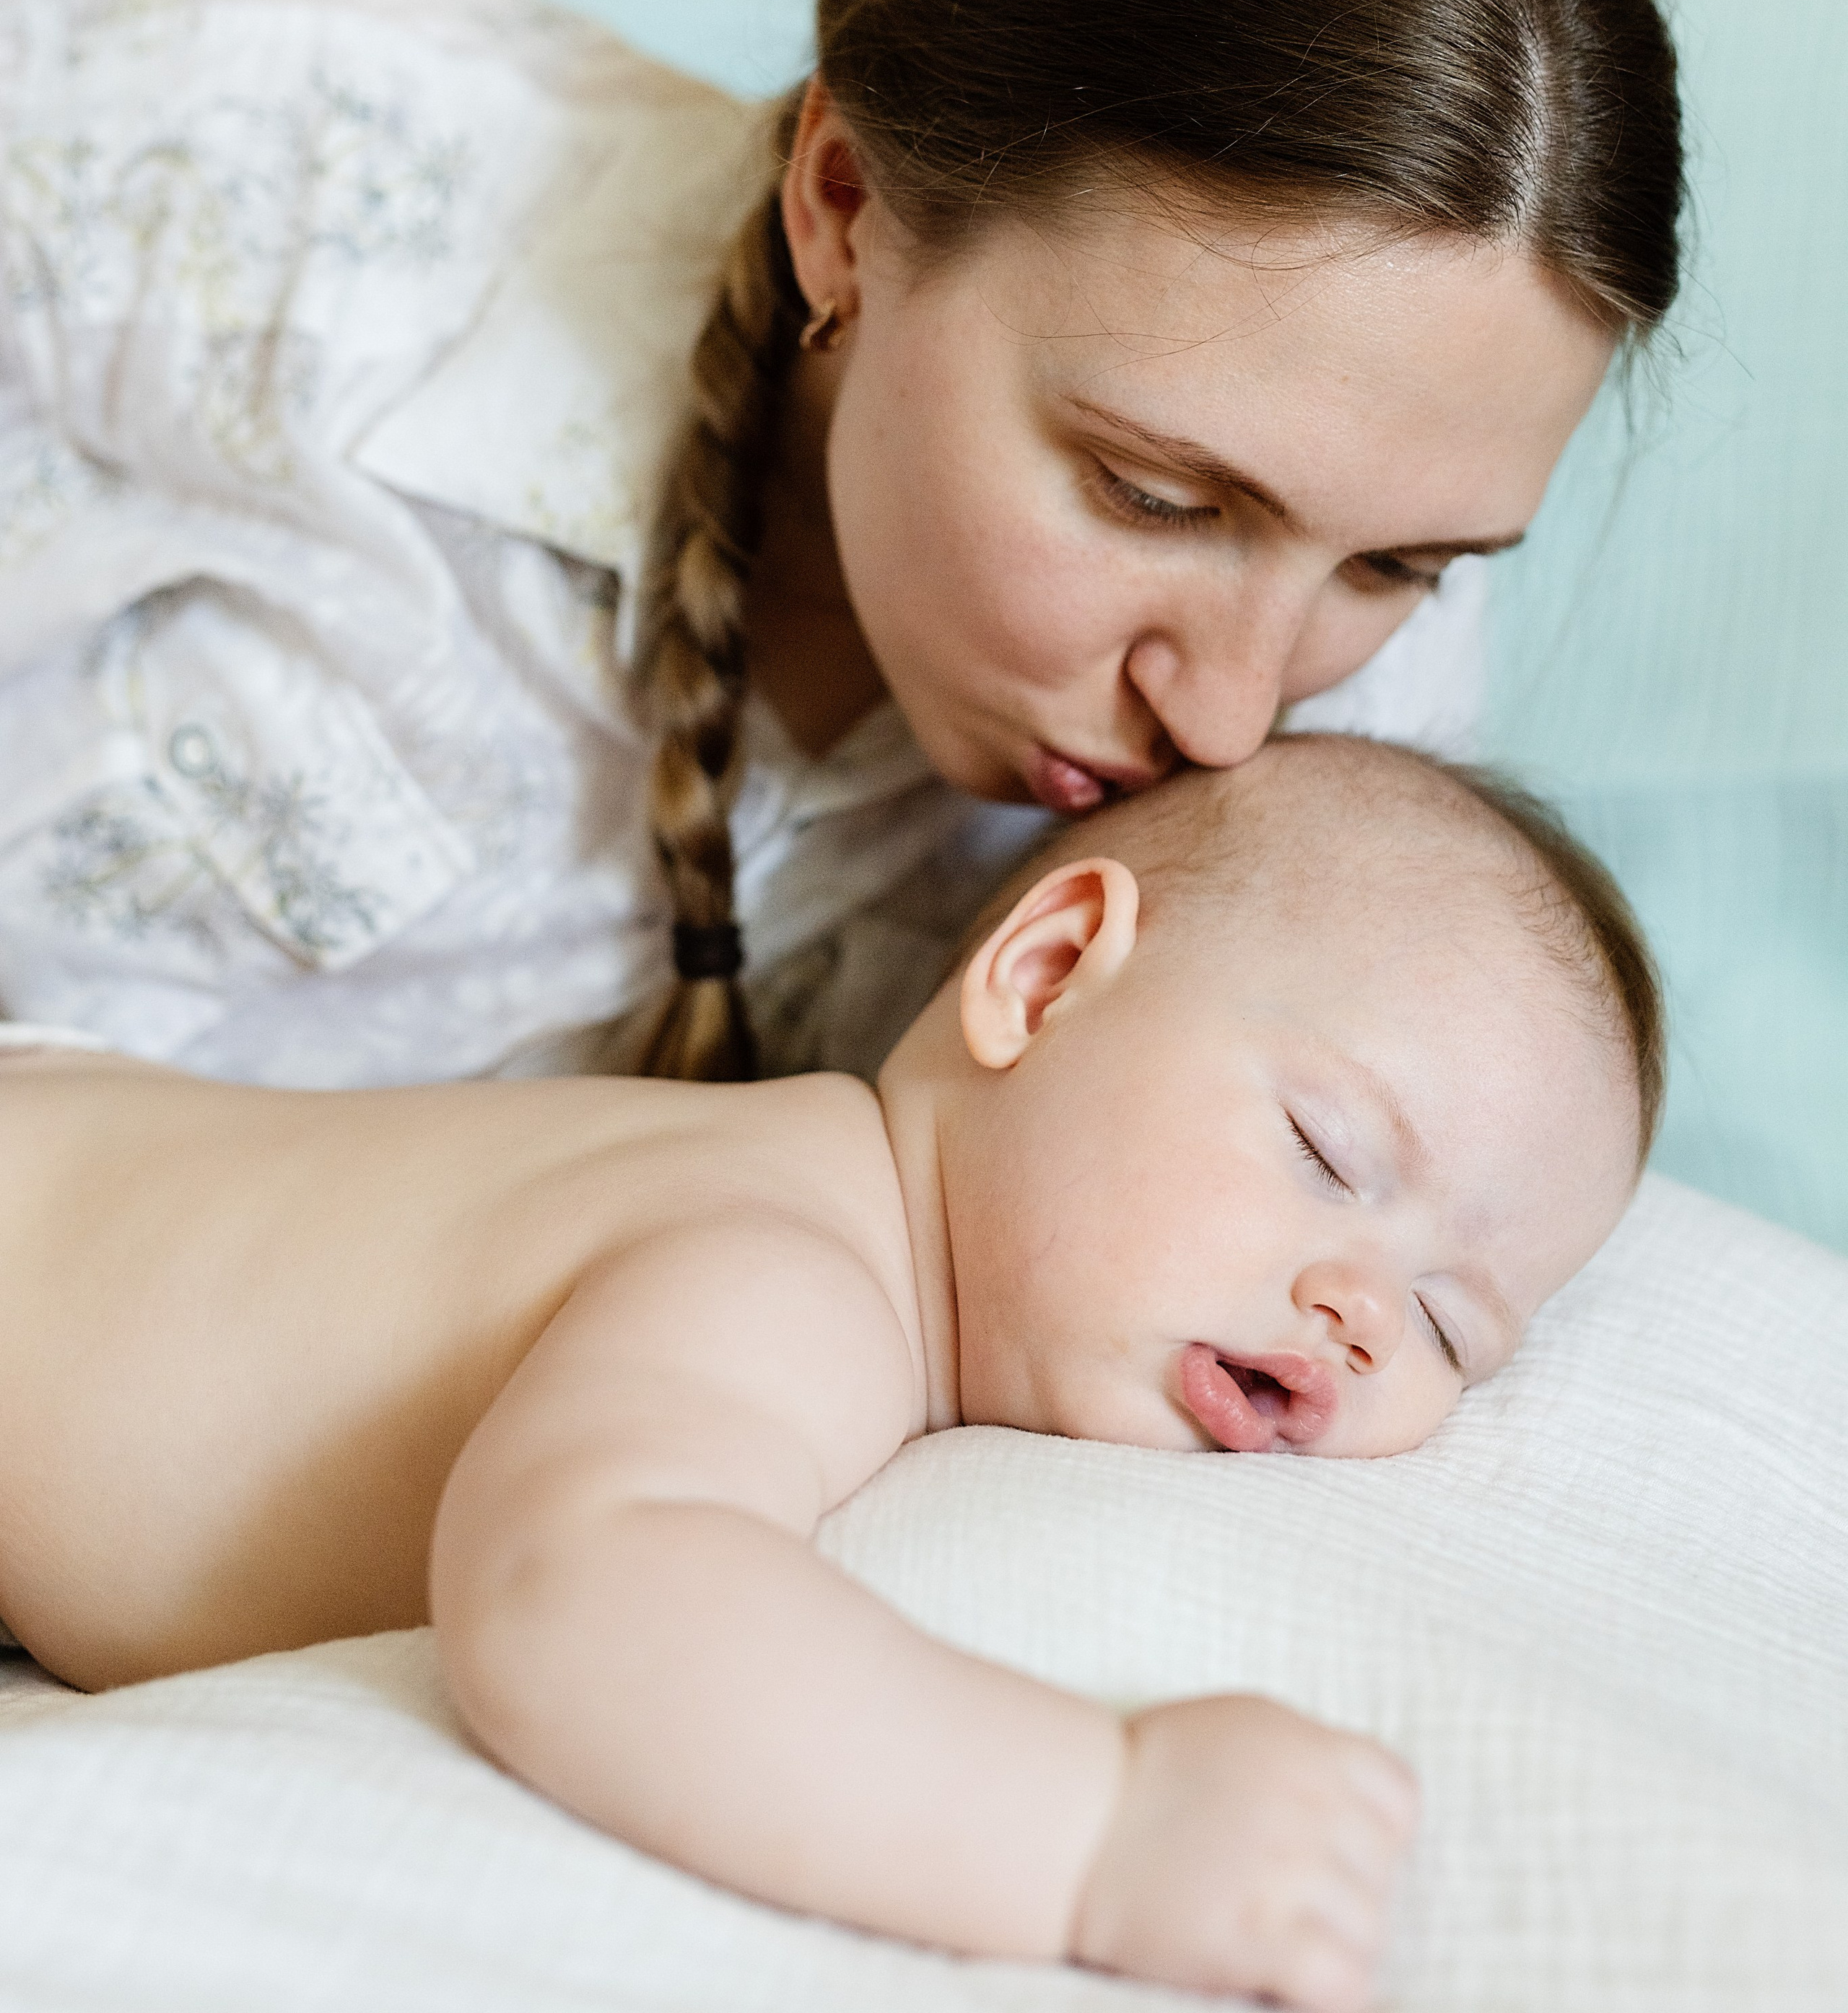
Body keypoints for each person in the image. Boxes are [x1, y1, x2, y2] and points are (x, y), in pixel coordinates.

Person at [0, 0, 1682, 1093]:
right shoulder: (260, 173)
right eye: (1156, 496)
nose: (1235, 719)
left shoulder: (1350, 766)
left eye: (1399, 567)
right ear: (846, 205)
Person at [0, 735, 1659, 2013]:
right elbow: (579, 1590)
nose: (1369, 1310)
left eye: (1453, 1322)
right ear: (1045, 973)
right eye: (1324, 1147)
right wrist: (1090, 1822)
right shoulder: (788, 1268)